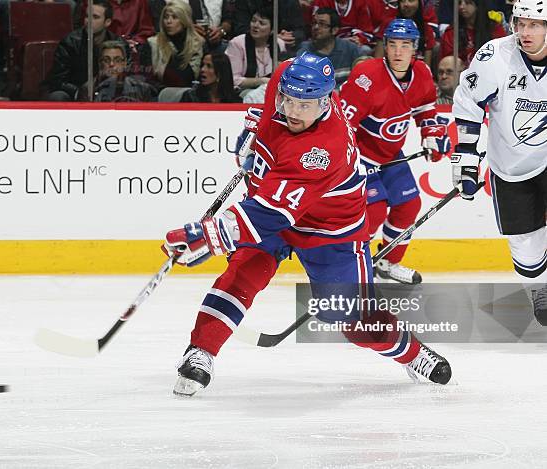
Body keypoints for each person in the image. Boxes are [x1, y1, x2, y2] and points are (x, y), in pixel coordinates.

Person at [162, 52, 452, 397]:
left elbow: (270, 212)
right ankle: (201, 351)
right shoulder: (288, 77)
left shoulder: (322, 150)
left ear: (327, 101)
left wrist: (210, 235)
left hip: (330, 232)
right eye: (288, 100)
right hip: (278, 216)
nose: (293, 111)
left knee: (351, 320)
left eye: (304, 105)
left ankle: (412, 353)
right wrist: (253, 145)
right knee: (241, 274)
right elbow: (269, 148)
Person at [451, 0, 547, 323]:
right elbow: (467, 100)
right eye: (520, 23)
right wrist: (465, 155)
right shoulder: (495, 57)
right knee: (528, 254)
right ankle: (540, 288)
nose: (524, 31)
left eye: (534, 24)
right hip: (511, 166)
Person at [339, 18, 451, 284]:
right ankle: (348, 266)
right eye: (392, 45)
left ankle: (387, 262)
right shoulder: (366, 77)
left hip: (390, 156)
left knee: (409, 205)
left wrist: (431, 134)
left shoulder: (422, 73)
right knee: (374, 212)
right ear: (385, 48)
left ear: (415, 49)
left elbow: (425, 108)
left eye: (405, 45)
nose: (398, 52)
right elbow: (343, 126)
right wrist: (351, 163)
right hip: (360, 157)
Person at [44, 0, 129, 101]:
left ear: (107, 22)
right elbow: (58, 80)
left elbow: (129, 75)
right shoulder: (70, 42)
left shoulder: (119, 44)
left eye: (95, 17)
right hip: (76, 93)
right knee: (58, 96)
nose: (89, 21)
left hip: (110, 92)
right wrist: (80, 92)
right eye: (87, 16)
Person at [141, 0, 205, 88]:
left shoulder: (198, 44)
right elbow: (147, 79)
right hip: (158, 94)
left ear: (184, 21)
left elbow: (189, 78)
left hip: (190, 94)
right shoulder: (152, 44)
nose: (168, 21)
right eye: (166, 17)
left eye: (174, 17)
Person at [225, 8, 286, 91]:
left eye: (262, 23)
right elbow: (233, 80)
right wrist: (261, 81)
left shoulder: (278, 44)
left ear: (272, 30)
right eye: (253, 21)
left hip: (270, 91)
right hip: (243, 92)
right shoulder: (237, 43)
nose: (255, 25)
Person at [80, 40, 157, 101]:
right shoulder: (88, 89)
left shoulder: (142, 88)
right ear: (100, 63)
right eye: (106, 60)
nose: (112, 64)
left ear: (124, 63)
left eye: (117, 60)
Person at [439, 0, 507, 66]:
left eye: (467, 2)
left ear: (477, 5)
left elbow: (503, 55)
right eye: (459, 3)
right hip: (461, 74)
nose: (461, 6)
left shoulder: (494, 28)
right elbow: (447, 62)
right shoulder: (451, 32)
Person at [297, 8, 362, 71]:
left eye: (322, 24)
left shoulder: (350, 49)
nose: (316, 27)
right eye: (314, 23)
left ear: (334, 30)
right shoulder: (305, 52)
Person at [374, 0, 437, 65]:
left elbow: (426, 66)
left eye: (411, 0)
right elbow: (378, 60)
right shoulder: (388, 24)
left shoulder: (427, 29)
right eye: (402, 1)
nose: (406, 4)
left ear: (420, 3)